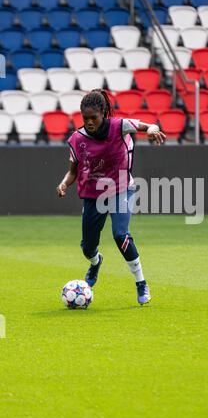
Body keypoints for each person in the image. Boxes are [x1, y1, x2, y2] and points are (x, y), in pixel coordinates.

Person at [56, 89, 166, 305]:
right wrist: (63, 184)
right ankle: (96, 262)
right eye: (85, 118)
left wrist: (152, 129)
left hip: (121, 188)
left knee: (120, 234)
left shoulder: (119, 125)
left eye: (93, 118)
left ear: (103, 113)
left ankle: (141, 282)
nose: (89, 122)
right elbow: (73, 171)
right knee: (87, 247)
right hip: (92, 195)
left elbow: (145, 126)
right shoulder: (77, 139)